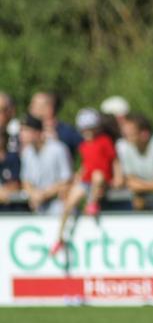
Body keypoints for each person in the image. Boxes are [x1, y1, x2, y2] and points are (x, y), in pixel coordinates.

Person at [51, 108, 117, 255]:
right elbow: (86, 165)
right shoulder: (84, 146)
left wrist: (117, 177)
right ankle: (59, 237)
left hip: (102, 179)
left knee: (97, 176)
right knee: (68, 204)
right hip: (87, 181)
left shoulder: (104, 142)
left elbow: (114, 160)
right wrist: (77, 178)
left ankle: (91, 204)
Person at [20, 114, 72, 215]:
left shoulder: (58, 149)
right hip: (38, 207)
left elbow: (67, 180)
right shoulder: (27, 152)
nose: (21, 134)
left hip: (59, 206)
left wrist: (44, 194)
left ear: (37, 132)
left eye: (25, 130)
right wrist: (33, 194)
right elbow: (25, 181)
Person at [29, 91, 81, 159]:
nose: (30, 107)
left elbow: (88, 151)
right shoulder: (29, 131)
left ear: (49, 108)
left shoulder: (67, 131)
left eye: (34, 104)